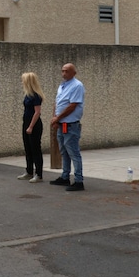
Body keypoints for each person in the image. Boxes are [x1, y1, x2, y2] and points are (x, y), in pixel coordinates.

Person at [49, 63, 85, 191]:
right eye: (62, 71)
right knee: (64, 152)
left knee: (73, 152)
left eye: (67, 71)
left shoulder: (77, 86)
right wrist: (55, 118)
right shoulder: (62, 85)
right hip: (61, 124)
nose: (64, 74)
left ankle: (79, 180)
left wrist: (57, 118)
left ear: (74, 73)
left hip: (70, 125)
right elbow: (58, 103)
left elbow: (72, 106)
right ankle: (65, 177)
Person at [18, 72, 45, 183]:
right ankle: (29, 171)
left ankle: (39, 173)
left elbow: (37, 112)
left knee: (35, 149)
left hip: (34, 124)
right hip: (26, 122)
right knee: (27, 148)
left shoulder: (35, 96)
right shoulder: (27, 95)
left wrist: (31, 126)